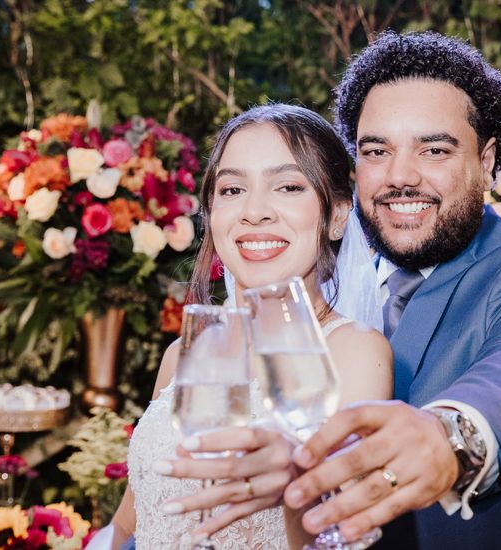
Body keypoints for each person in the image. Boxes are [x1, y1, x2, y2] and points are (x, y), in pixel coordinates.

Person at [276, 31, 501, 549]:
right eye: (376, 150)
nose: (400, 177)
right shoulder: (314, 291)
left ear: (485, 161)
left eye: (434, 149)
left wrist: (450, 437)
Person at [109, 104, 393, 549]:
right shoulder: (187, 352)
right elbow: (133, 517)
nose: (254, 211)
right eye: (233, 189)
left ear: (337, 216)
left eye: (288, 186)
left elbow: (338, 535)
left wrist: (296, 478)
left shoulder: (354, 352)